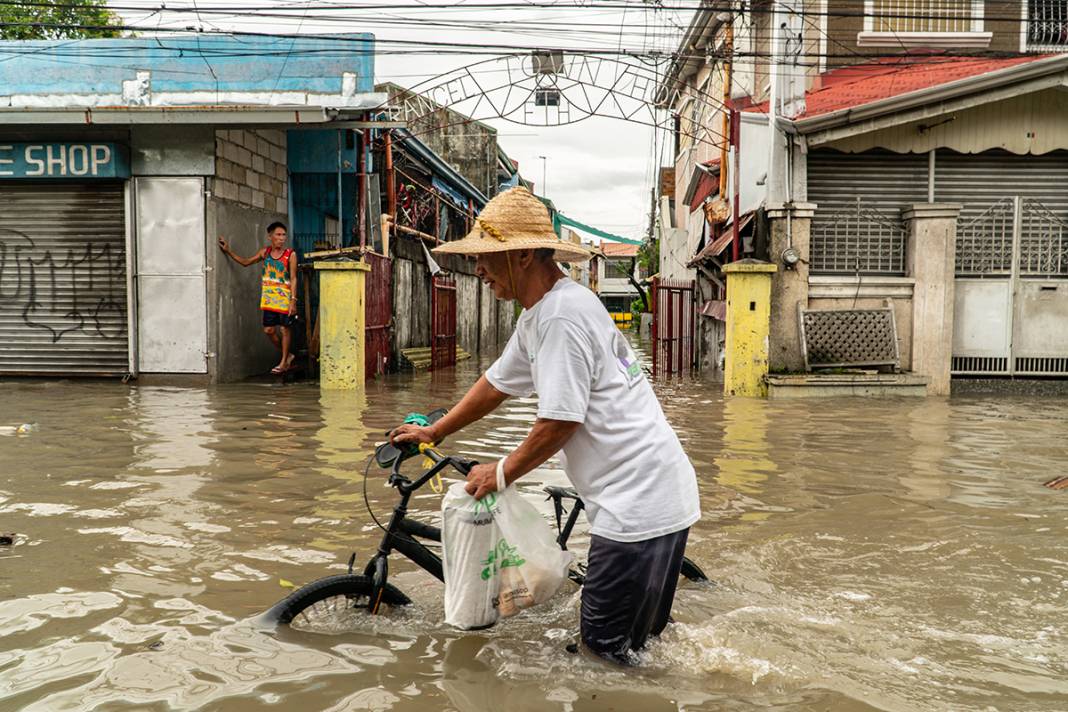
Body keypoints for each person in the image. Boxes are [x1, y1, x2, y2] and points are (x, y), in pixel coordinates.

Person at [390, 186, 700, 664]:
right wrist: (437, 430)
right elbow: (495, 384)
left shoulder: (559, 317)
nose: (479, 269)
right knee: (639, 651)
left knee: (603, 658)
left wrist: (499, 473)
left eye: (489, 257)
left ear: (526, 255)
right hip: (656, 495)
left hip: (636, 508)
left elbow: (560, 422)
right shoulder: (550, 309)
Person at [218, 222, 298, 374]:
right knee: (268, 330)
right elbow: (246, 262)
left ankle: (283, 362)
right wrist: (229, 251)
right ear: (270, 236)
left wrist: (293, 300)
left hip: (284, 299)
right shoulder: (265, 253)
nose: (282, 238)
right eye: (278, 235)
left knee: (285, 329)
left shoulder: (290, 254)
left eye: (283, 235)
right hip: (269, 300)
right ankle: (288, 356)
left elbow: (293, 278)